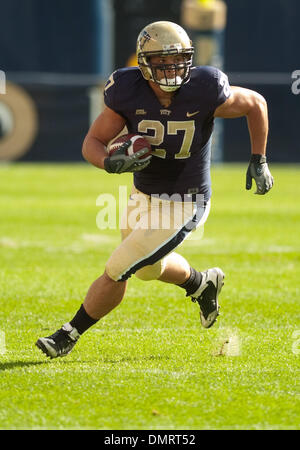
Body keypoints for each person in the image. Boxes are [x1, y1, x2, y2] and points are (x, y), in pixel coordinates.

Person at [36, 21, 273, 358]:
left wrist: (259, 158)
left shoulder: (205, 88)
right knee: (148, 269)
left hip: (185, 199)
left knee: (119, 268)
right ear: (144, 63)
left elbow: (255, 103)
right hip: (143, 193)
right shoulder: (126, 90)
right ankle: (200, 283)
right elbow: (93, 141)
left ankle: (68, 334)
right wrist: (107, 162)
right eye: (162, 61)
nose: (172, 68)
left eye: (178, 60)